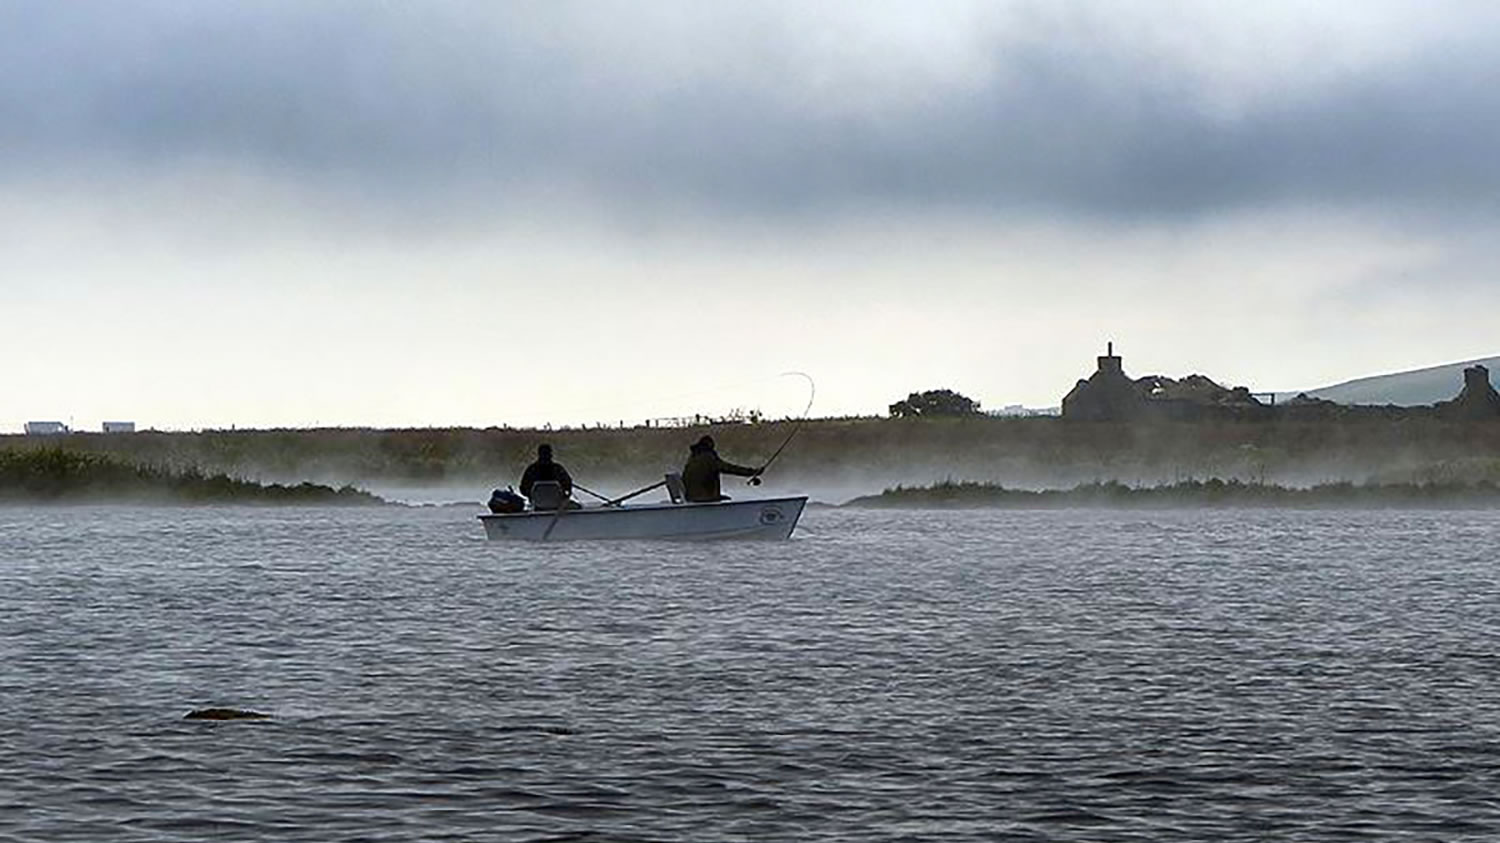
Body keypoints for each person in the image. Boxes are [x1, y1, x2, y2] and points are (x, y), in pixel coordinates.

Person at [681, 435, 762, 502]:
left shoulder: (693, 458)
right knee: (727, 500)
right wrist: (752, 472)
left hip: (691, 497)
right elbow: (729, 468)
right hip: (703, 498)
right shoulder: (708, 458)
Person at [519, 443, 577, 509]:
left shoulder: (531, 470)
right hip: (557, 505)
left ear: (539, 454)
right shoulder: (558, 469)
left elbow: (523, 489)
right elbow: (568, 487)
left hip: (537, 505)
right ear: (551, 455)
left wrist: (531, 496)